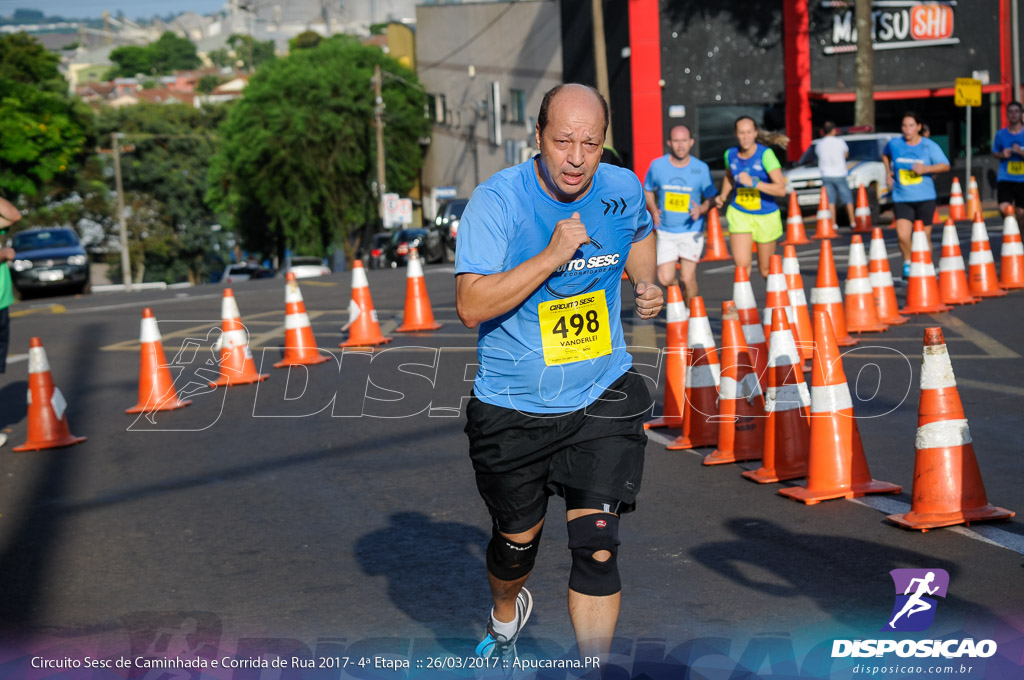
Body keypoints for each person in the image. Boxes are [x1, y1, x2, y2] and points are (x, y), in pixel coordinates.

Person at [455, 83, 662, 670]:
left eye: (590, 144)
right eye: (563, 141)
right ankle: (504, 613)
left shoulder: (621, 186)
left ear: (604, 145)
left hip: (600, 392)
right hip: (512, 407)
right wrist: (551, 255)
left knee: (597, 549)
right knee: (515, 548)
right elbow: (470, 304)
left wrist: (644, 281)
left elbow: (640, 232)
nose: (576, 157)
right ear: (538, 138)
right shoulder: (497, 202)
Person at [643, 124, 716, 303]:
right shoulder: (657, 166)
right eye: (676, 141)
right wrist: (653, 209)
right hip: (666, 230)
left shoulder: (701, 168)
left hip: (691, 230)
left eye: (684, 141)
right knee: (665, 279)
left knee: (687, 278)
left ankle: (693, 315)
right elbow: (648, 189)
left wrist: (701, 209)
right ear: (669, 143)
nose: (680, 145)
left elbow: (711, 198)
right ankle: (681, 300)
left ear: (691, 142)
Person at [714, 116, 788, 279]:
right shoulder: (730, 154)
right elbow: (729, 177)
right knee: (742, 267)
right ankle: (743, 304)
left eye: (749, 132)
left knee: (766, 270)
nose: (745, 137)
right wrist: (723, 195)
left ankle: (778, 301)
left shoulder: (766, 155)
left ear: (755, 133)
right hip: (740, 213)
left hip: (766, 215)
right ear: (736, 134)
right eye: (741, 133)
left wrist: (754, 183)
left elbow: (781, 190)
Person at [882, 112, 950, 278]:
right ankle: (907, 263)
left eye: (911, 125)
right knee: (903, 235)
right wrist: (888, 171)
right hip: (902, 198)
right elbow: (885, 154)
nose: (907, 129)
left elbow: (945, 165)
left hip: (925, 197)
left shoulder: (928, 146)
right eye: (904, 126)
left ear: (919, 127)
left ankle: (927, 264)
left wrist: (925, 169)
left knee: (923, 236)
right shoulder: (895, 144)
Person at [817, 122, 855, 227]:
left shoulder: (820, 144)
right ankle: (852, 222)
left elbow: (818, 155)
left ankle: (833, 223)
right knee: (847, 198)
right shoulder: (840, 142)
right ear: (833, 130)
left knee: (831, 201)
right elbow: (846, 154)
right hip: (840, 173)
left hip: (826, 174)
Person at [992, 100, 1024, 224]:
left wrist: (1020, 152)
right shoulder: (1000, 134)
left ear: (1021, 114)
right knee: (1003, 209)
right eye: (1010, 112)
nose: (1013, 114)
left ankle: (1020, 238)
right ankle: (1011, 229)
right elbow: (995, 152)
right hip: (1005, 177)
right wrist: (1002, 154)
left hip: (1022, 179)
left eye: (1016, 111)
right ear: (1007, 114)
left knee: (1021, 213)